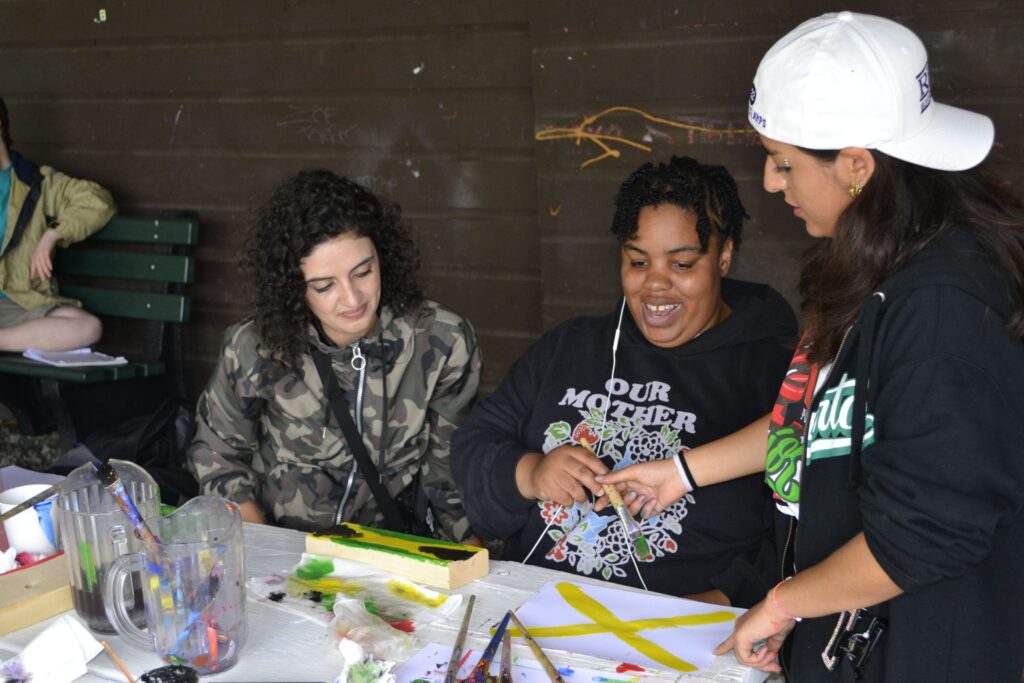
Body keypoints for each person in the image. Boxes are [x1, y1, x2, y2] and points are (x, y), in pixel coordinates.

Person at [598, 12, 1024, 681]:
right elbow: (821, 421)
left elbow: (928, 531)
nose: (771, 182)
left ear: (856, 166)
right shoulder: (877, 264)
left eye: (782, 162)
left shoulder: (943, 305)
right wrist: (678, 472)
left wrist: (781, 604)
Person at [452, 156, 797, 605]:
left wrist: (731, 598)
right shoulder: (570, 347)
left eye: (682, 265)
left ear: (723, 257)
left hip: (685, 631)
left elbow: (806, 514)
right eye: (638, 262)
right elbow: (474, 446)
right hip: (536, 611)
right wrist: (532, 472)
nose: (655, 285)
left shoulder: (772, 366)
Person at [187, 170, 482, 543]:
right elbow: (218, 455)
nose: (353, 298)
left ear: (383, 257)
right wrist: (265, 555)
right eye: (325, 286)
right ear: (293, 288)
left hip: (387, 558)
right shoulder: (254, 346)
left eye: (364, 271)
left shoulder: (441, 341)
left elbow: (450, 478)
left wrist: (469, 566)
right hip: (281, 552)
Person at [0, 96, 115, 352]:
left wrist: (53, 235)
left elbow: (98, 202)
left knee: (87, 327)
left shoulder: (37, 183)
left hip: (18, 306)